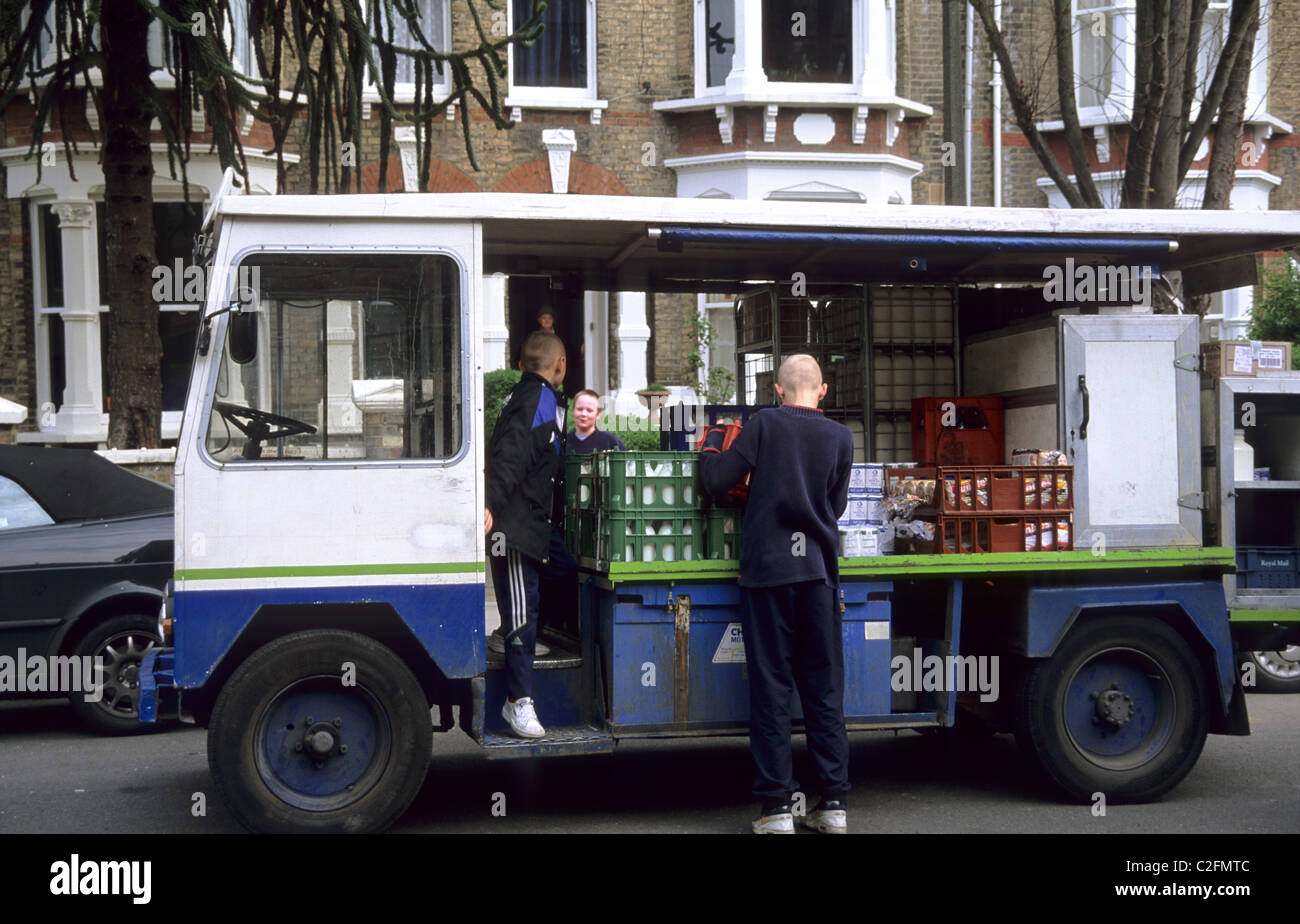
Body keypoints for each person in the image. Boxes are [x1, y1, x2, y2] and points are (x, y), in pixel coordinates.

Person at [698, 353, 854, 834]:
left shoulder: (764, 424)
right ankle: (833, 806)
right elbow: (838, 506)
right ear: (822, 391)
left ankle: (777, 809)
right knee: (823, 690)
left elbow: (716, 482)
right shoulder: (840, 437)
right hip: (819, 575)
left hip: (769, 573)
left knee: (772, 689)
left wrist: (709, 449)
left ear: (778, 390)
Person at [484, 331, 577, 738]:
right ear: (560, 365)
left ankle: (516, 633)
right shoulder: (537, 398)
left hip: (536, 526)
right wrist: (490, 506)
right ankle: (517, 703)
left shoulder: (531, 396)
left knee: (567, 571)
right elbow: (512, 455)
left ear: (522, 364)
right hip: (516, 528)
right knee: (524, 612)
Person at [566, 389, 626, 455]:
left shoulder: (610, 441)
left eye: (589, 410)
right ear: (573, 410)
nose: (583, 414)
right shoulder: (563, 442)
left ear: (598, 414)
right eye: (579, 409)